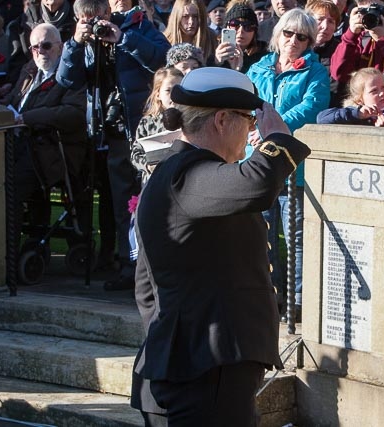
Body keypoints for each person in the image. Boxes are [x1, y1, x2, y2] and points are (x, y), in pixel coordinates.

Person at [130, 66, 310, 426]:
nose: (252, 134)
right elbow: (257, 181)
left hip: (195, 366)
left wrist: (172, 336)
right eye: (249, 121)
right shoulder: (188, 174)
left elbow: (146, 287)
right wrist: (279, 139)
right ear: (223, 120)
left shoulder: (176, 173)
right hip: (204, 371)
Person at [57, 0, 170, 290]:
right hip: (113, 131)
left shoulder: (137, 26)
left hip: (143, 126)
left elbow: (163, 59)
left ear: (109, 12)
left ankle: (156, 267)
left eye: (100, 16)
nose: (96, 23)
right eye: (88, 19)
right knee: (122, 202)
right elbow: (67, 80)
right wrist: (74, 44)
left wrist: (123, 39)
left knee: (152, 199)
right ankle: (127, 264)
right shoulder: (83, 42)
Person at [246, 8, 330, 320]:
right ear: (278, 33)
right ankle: (268, 299)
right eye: (288, 33)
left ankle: (296, 303)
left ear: (310, 42)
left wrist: (272, 127)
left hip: (292, 166)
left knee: (296, 239)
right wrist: (255, 129)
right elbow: (245, 102)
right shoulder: (258, 69)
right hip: (256, 162)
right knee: (260, 238)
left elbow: (312, 107)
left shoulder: (316, 72)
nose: (293, 40)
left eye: (302, 36)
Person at [0, 23, 87, 256]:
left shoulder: (70, 74)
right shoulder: (30, 69)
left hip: (50, 150)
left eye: (47, 46)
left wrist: (27, 118)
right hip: (16, 144)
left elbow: (74, 114)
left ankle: (6, 258)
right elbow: (13, 100)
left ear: (59, 47)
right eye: (35, 47)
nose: (41, 52)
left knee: (9, 188)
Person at [330, 0, 384, 89]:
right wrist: (350, 36)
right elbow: (339, 74)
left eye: (375, 9)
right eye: (364, 11)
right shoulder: (363, 36)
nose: (370, 15)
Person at [132, 66, 184, 184]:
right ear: (158, 94)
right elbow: (135, 153)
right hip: (154, 181)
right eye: (168, 90)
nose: (174, 95)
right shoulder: (147, 122)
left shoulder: (191, 120)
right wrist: (148, 166)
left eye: (179, 89)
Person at [317, 67, 384, 127]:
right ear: (359, 99)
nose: (382, 93)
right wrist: (357, 114)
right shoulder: (354, 114)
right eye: (374, 91)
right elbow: (321, 118)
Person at [214, 0, 267, 73]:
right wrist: (217, 63)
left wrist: (240, 68)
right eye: (234, 24)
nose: (241, 30)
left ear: (255, 31)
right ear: (226, 28)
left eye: (248, 26)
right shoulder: (212, 48)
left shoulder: (264, 57)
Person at [306, 0, 342, 107]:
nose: (325, 26)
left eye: (331, 21)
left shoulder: (340, 51)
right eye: (320, 19)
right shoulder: (298, 48)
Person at [163, 0, 217, 64]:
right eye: (185, 16)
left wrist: (218, 62)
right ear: (177, 17)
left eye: (195, 17)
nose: (191, 22)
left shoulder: (211, 39)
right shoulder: (163, 41)